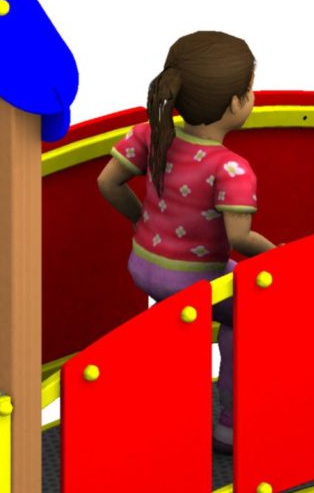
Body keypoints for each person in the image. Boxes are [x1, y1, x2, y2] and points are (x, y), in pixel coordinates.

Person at [96, 31, 276, 452]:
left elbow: (107, 182)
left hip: (144, 263)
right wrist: (283, 257)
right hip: (192, 277)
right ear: (234, 104)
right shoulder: (230, 168)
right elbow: (239, 238)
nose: (251, 98)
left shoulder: (150, 134)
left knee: (181, 321)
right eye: (249, 91)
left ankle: (166, 411)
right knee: (252, 312)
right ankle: (232, 423)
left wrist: (141, 219)